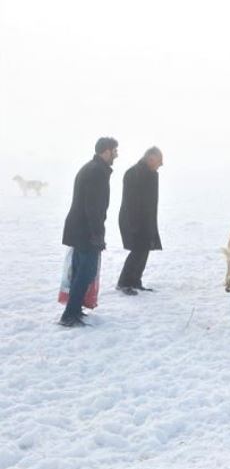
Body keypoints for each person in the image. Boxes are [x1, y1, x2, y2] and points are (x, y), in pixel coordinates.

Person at [59, 137, 118, 327]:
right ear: (106, 151)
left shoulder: (92, 168)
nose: (117, 154)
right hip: (85, 231)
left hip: (79, 228)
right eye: (115, 150)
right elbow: (93, 207)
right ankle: (70, 315)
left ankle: (74, 310)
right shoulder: (97, 172)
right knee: (86, 271)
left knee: (80, 272)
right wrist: (97, 235)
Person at [117, 147, 163, 295]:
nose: (161, 165)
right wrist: (135, 224)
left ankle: (135, 281)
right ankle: (124, 282)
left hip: (146, 219)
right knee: (137, 250)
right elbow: (132, 202)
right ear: (151, 158)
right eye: (159, 161)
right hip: (134, 219)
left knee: (144, 250)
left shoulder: (151, 173)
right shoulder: (134, 173)